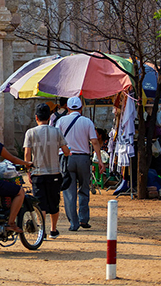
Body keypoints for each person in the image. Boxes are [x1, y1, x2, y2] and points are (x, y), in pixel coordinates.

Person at [55, 97, 105, 231]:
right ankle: (83, 219)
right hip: (83, 158)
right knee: (84, 188)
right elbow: (94, 142)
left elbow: (55, 141)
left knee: (69, 192)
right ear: (81, 108)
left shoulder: (60, 121)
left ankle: (73, 222)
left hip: (66, 159)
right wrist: (99, 160)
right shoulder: (87, 121)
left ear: (68, 108)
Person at [24, 102, 71, 240]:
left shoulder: (30, 132)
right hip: (54, 172)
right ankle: (54, 230)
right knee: (54, 202)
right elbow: (66, 151)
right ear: (50, 118)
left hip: (38, 172)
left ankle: (42, 231)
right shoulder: (56, 131)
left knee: (40, 203)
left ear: (36, 117)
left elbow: (27, 155)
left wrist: (28, 170)